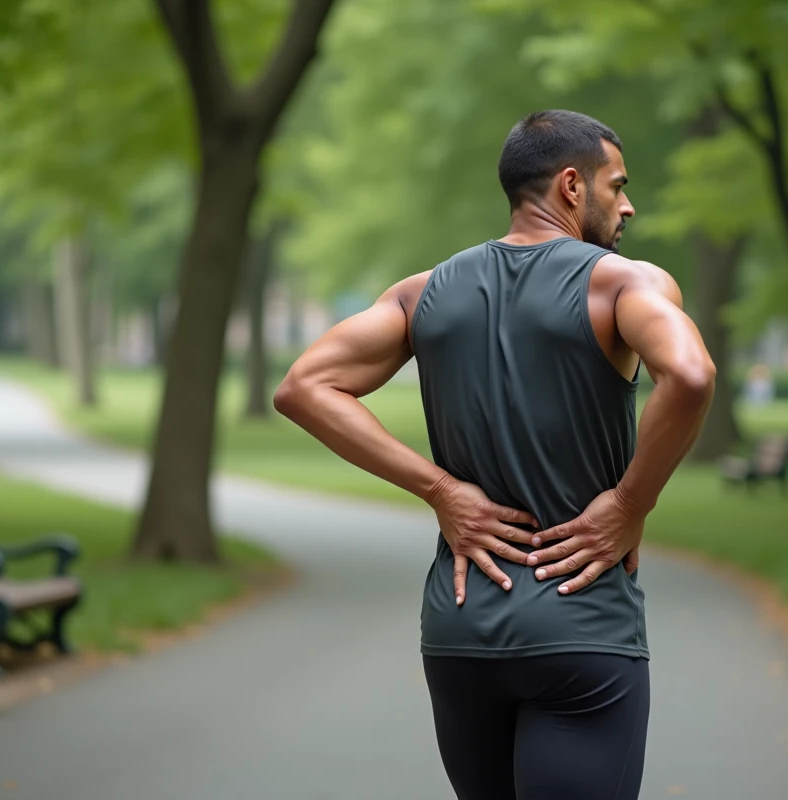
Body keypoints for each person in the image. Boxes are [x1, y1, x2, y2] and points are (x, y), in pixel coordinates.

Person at [273, 110, 716, 800]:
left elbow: (305, 386)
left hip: (460, 633)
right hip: (582, 629)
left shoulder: (423, 294)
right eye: (617, 184)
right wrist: (630, 503)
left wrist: (440, 490)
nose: (628, 205)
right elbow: (689, 375)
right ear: (572, 186)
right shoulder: (625, 284)